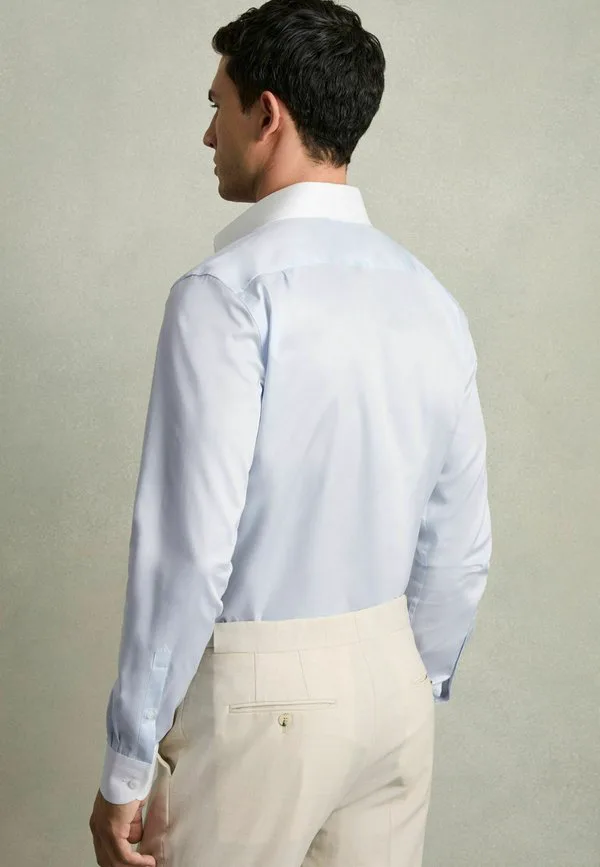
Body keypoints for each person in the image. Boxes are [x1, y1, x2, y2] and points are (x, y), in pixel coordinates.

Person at [88, 1, 493, 865]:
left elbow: (188, 551)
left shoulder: (226, 293)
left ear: (266, 115)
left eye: (218, 106)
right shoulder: (431, 299)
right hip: (394, 687)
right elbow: (459, 541)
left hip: (261, 702)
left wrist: (128, 758)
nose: (209, 135)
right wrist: (409, 674)